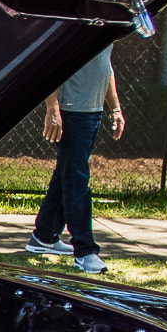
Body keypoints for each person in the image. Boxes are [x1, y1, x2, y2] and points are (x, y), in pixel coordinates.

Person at [25, 44, 125, 274]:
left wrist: (116, 109)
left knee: (66, 174)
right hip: (72, 113)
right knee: (76, 181)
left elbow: (105, 68)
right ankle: (85, 251)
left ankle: (44, 236)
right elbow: (53, 67)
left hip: (93, 112)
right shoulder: (80, 23)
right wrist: (52, 108)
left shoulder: (106, 26)